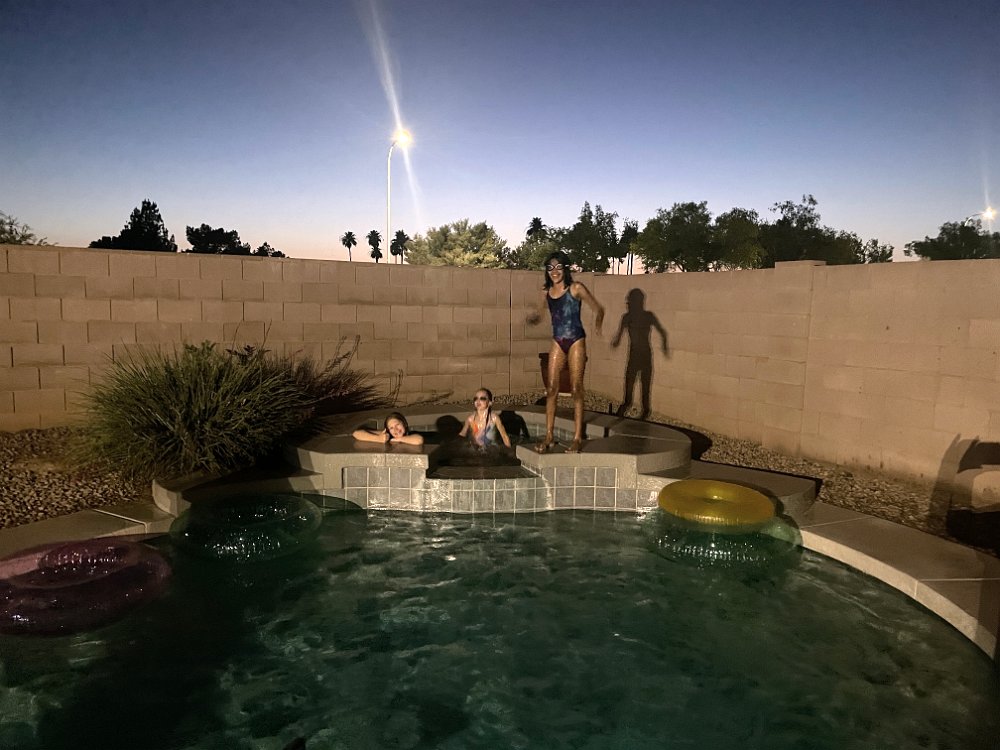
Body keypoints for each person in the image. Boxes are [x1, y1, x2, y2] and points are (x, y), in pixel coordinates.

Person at [527, 251, 604, 453]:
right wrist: (534, 318)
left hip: (576, 340)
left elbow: (598, 308)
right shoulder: (546, 291)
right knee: (551, 388)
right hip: (558, 340)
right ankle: (549, 436)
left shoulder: (576, 288)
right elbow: (542, 312)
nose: (555, 271)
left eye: (559, 267)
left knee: (576, 388)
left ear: (565, 269)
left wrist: (598, 325)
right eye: (550, 268)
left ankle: (577, 437)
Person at [352, 412, 424, 445]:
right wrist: (378, 439)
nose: (395, 429)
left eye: (397, 425)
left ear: (404, 424)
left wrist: (398, 439)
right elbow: (356, 433)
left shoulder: (412, 434)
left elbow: (419, 440)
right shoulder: (388, 435)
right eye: (391, 428)